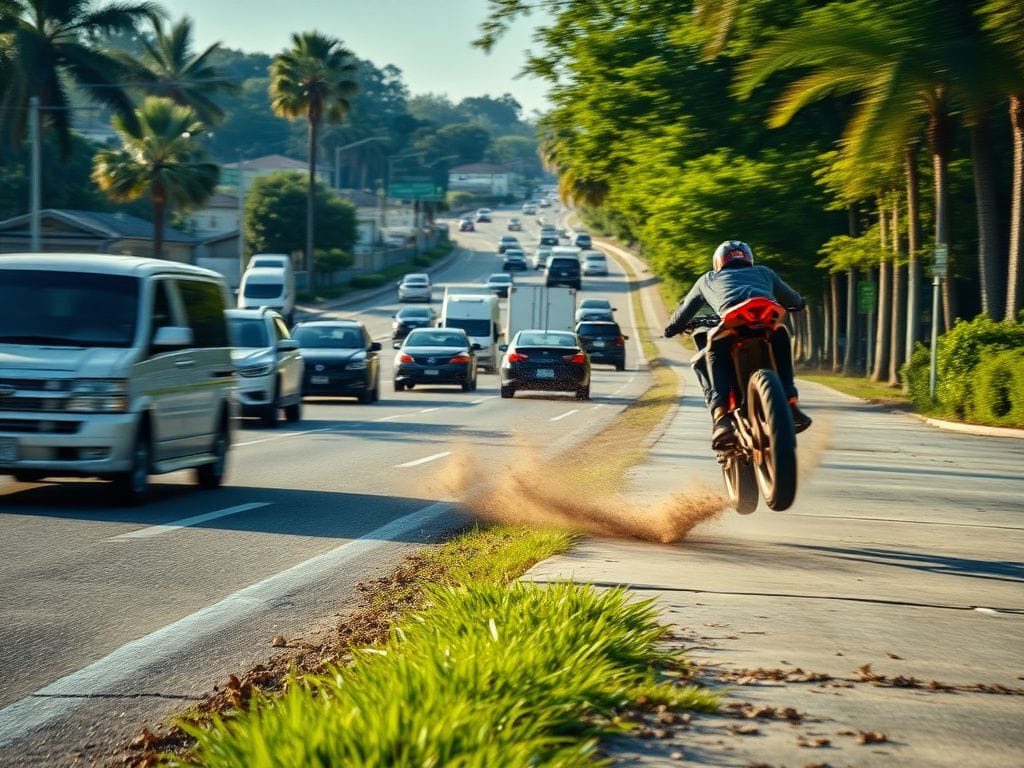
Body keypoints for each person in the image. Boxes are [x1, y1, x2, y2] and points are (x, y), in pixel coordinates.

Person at [664, 240, 812, 448]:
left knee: (714, 348)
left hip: (732, 323)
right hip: (766, 322)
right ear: (748, 258)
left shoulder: (708, 278)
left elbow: (684, 312)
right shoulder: (764, 272)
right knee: (780, 333)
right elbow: (792, 299)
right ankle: (791, 402)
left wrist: (671, 328)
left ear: (718, 262)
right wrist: (800, 303)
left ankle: (721, 416)